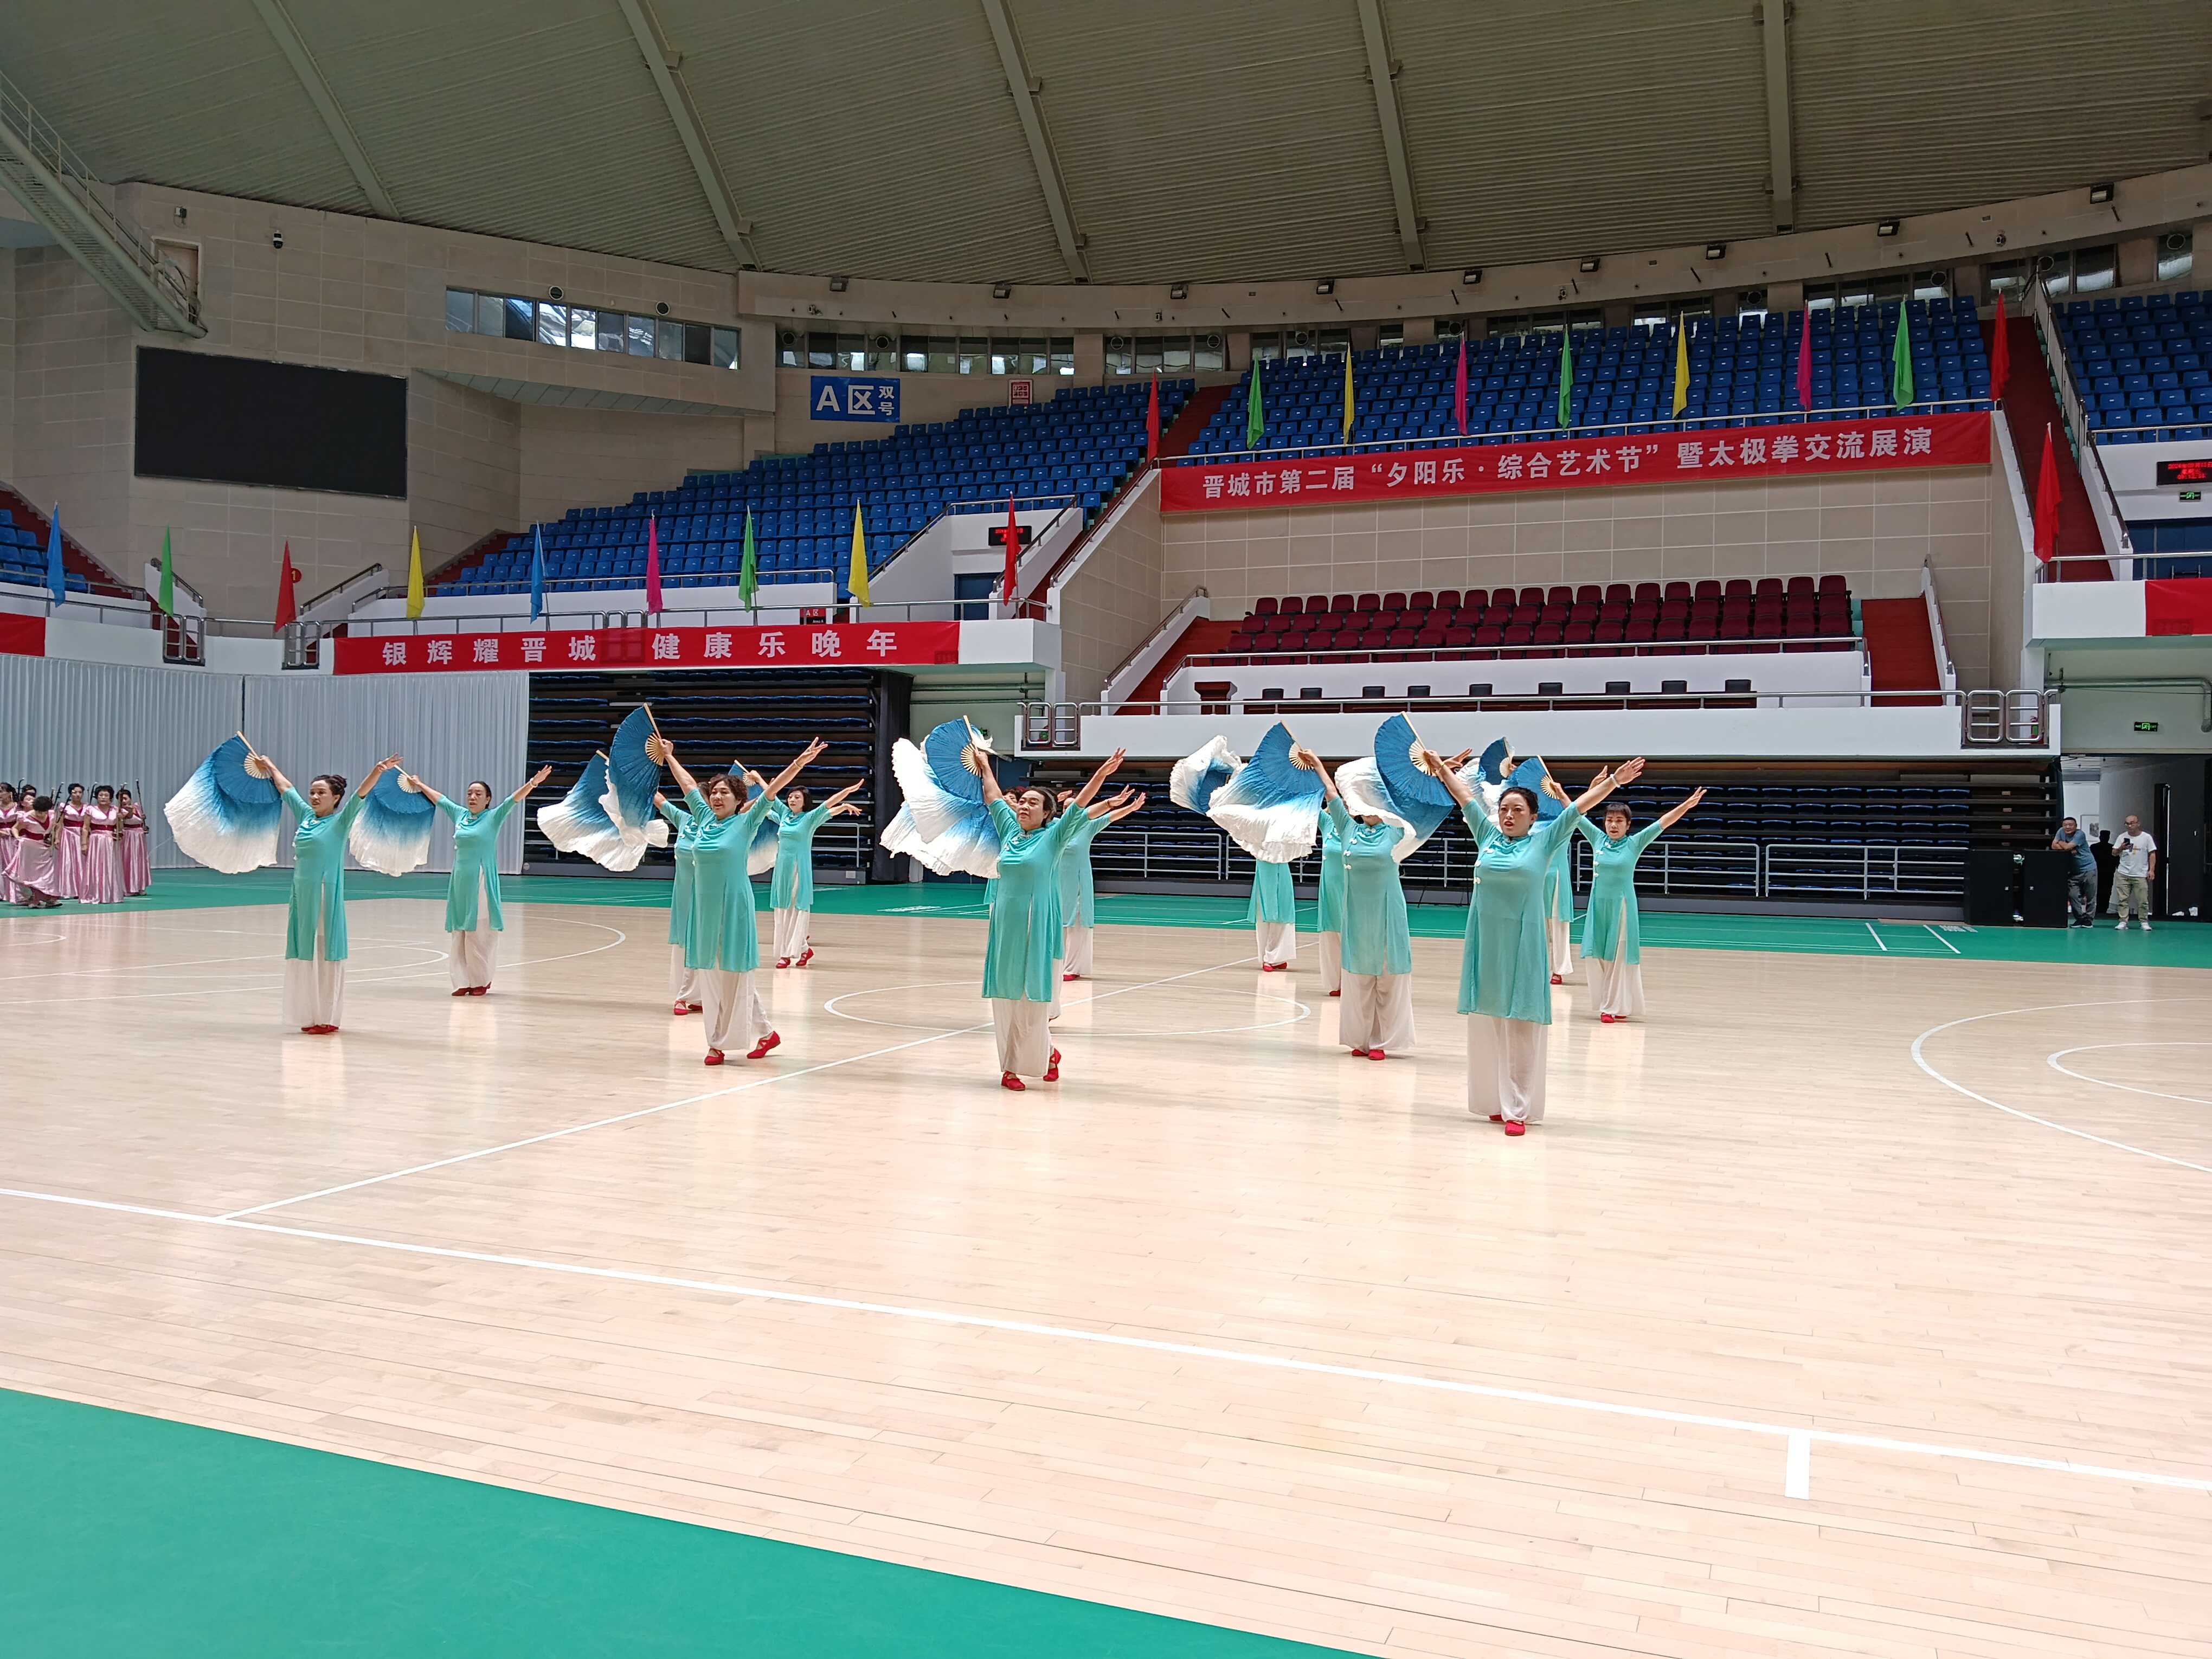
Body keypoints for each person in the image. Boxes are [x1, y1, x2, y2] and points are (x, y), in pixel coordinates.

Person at [1426, 748, 1645, 1136]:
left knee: (1521, 1026)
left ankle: (1518, 1108)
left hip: (1524, 946)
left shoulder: (1544, 842)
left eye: (1518, 810)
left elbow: (1577, 809)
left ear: (1532, 817)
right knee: (1489, 1023)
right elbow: (1463, 796)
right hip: (1486, 945)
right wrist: (1441, 768)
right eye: (1504, 810)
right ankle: (1494, 1100)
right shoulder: (1486, 835)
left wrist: (1614, 782)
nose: (1509, 816)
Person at [657, 737, 824, 1065]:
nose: (717, 797)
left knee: (735, 972)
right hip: (704, 910)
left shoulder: (747, 822)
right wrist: (669, 757)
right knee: (713, 973)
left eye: (724, 793)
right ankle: (765, 1033)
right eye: (714, 792)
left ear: (738, 800)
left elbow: (773, 790)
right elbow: (688, 785)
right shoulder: (703, 819)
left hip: (734, 907)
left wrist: (799, 763)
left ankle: (717, 1044)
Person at [978, 748, 1127, 1091]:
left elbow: (1081, 806)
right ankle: (1029, 1060)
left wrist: (1101, 775)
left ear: (1047, 814)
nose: (1023, 806)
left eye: (1033, 803)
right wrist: (985, 764)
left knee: (1030, 1000)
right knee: (1006, 997)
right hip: (1005, 930)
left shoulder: (1054, 837)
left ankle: (1024, 1062)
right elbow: (993, 796)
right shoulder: (1010, 832)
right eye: (1022, 802)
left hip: (1037, 928)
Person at [252, 751, 402, 1034]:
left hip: (324, 895)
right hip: (302, 895)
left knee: (325, 953)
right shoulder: (306, 817)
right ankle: (310, 1015)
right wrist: (269, 765)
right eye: (312, 792)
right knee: (306, 953)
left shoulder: (341, 821)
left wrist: (378, 771)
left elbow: (360, 794)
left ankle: (328, 1017)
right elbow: (286, 789)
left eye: (321, 793)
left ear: (335, 798)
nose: (315, 797)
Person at [1301, 749, 1414, 1058]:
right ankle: (1361, 1039)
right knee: (1359, 977)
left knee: (1386, 977)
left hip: (1386, 913)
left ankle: (1381, 1041)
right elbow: (1331, 794)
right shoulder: (1348, 829)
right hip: (1356, 914)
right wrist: (1319, 765)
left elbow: (1412, 802)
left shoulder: (1397, 831)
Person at [402, 767, 552, 995]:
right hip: (460, 880)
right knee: (459, 931)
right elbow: (441, 800)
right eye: (470, 793)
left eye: (478, 794)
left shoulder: (493, 817)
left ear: (488, 799)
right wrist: (419, 784)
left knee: (479, 932)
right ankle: (462, 982)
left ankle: (480, 981)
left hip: (481, 880)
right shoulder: (460, 815)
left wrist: (533, 783)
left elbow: (513, 800)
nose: (472, 797)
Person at [1578, 788, 1705, 1023]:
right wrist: (1560, 793)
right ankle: (1621, 1003)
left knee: (1618, 957)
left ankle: (1609, 1007)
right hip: (1597, 908)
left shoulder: (1635, 843)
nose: (1613, 825)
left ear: (1628, 825)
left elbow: (1662, 823)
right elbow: (1575, 814)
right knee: (1601, 956)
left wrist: (1686, 806)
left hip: (1622, 907)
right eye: (1609, 820)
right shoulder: (1597, 839)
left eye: (1619, 821)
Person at [757, 777, 865, 969]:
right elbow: (771, 795)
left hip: (799, 869)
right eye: (790, 797)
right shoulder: (784, 815)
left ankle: (786, 955)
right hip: (782, 870)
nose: (792, 800)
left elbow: (829, 804)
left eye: (797, 797)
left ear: (804, 801)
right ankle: (804, 949)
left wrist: (847, 791)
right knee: (782, 911)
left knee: (796, 910)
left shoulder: (809, 818)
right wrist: (758, 778)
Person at [1054, 783, 1147, 981]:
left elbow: (1110, 817)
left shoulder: (1088, 826)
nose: (1069, 810)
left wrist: (1131, 808)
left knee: (1078, 924)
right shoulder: (1054, 827)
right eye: (1066, 807)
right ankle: (1054, 964)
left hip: (1079, 881)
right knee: (1056, 923)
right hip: (1056, 882)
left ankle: (1072, 968)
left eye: (1073, 806)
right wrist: (1054, 799)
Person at [654, 790, 704, 1017]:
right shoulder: (684, 819)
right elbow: (660, 801)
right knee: (685, 943)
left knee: (702, 942)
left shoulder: (718, 825)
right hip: (683, 893)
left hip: (707, 894)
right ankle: (688, 995)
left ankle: (691, 995)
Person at [1538, 771, 1578, 984]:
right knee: (1538, 927)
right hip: (1536, 880)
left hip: (1557, 880)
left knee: (1559, 927)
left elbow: (1576, 811)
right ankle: (1539, 968)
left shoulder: (1564, 830)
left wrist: (1592, 787)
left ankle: (1559, 970)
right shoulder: (1533, 831)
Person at [1314, 804, 1346, 997]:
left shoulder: (1358, 829)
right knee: (1331, 937)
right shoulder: (1327, 823)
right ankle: (1336, 983)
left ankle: (1353, 983)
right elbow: (1313, 807)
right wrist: (1328, 808)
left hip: (1351, 890)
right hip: (1329, 891)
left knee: (1350, 936)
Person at [10, 794, 64, 907]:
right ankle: (36, 899)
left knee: (48, 874)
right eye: (38, 811)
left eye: (43, 812)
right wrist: (18, 837)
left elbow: (58, 826)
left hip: (45, 848)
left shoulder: (52, 815)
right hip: (30, 849)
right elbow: (15, 828)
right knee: (33, 876)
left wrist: (56, 838)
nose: (40, 814)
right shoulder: (26, 817)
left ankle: (50, 899)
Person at [1247, 856, 1298, 971]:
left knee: (1283, 911)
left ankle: (1278, 958)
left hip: (1282, 862)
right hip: (1265, 863)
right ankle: (1268, 957)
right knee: (1266, 912)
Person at [78, 785, 124, 904]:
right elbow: (85, 828)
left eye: (106, 795)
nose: (103, 797)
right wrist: (84, 844)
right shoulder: (90, 809)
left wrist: (120, 819)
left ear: (111, 798)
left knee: (110, 866)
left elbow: (120, 829)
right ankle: (93, 893)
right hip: (95, 840)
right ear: (97, 797)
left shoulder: (116, 810)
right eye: (101, 795)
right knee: (95, 866)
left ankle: (109, 894)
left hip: (110, 841)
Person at [2112, 813, 2157, 930]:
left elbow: (2152, 854)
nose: (2129, 826)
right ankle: (2123, 921)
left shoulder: (2146, 838)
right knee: (2123, 900)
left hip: (2140, 874)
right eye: (2127, 824)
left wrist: (2151, 870)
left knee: (2143, 900)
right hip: (2123, 873)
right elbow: (2114, 853)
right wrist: (2121, 848)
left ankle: (2144, 921)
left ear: (2138, 824)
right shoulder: (2122, 837)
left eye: (2132, 823)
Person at [2051, 815, 2095, 928]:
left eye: (2070, 825)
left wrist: (2062, 843)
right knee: (2073, 895)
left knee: (2091, 896)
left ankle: (2089, 920)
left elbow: (2067, 847)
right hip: (2074, 870)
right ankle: (2080, 918)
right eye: (2065, 825)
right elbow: (2053, 846)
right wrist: (2068, 848)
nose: (2068, 827)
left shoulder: (2080, 835)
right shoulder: (2061, 832)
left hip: (2088, 868)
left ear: (2076, 826)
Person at [117, 788, 151, 896]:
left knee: (140, 861)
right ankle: (129, 887)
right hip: (129, 837)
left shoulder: (137, 807)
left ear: (130, 799)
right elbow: (129, 817)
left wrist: (145, 827)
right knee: (129, 860)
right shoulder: (120, 811)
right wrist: (130, 811)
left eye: (125, 798)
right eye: (121, 799)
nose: (123, 801)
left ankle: (140, 886)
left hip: (139, 837)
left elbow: (140, 822)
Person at [55, 783, 86, 900]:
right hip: (68, 835)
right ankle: (68, 889)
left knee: (81, 862)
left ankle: (82, 889)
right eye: (75, 792)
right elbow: (60, 824)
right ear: (70, 793)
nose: (78, 795)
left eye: (80, 792)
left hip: (82, 835)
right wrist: (57, 838)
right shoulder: (64, 807)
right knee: (68, 861)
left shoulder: (87, 807)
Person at [2092, 828, 2117, 917]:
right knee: (2106, 891)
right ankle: (2103, 909)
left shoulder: (2094, 847)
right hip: (2107, 873)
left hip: (2101, 872)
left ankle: (2100, 909)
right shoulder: (2112, 848)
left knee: (2101, 891)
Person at [0, 783, 18, 905]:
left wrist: (13, 832)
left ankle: (15, 893)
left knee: (13, 864)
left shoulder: (17, 807)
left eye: (2, 791)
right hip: (1, 837)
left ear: (10, 793)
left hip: (13, 839)